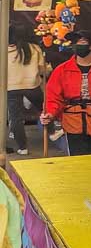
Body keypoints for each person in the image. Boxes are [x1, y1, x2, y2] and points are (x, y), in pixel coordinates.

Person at [7, 24, 45, 155]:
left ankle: (23, 147)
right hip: (32, 85)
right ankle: (53, 131)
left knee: (15, 118)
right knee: (45, 108)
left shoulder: (5, 50)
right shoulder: (35, 48)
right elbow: (42, 69)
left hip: (11, 87)